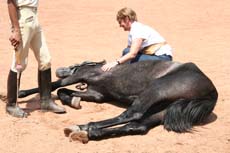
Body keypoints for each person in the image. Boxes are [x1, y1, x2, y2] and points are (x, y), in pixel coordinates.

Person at [6, 0, 66, 118]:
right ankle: (11, 105)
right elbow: (10, 2)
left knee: (45, 60)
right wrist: (16, 29)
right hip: (22, 19)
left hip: (34, 18)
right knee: (19, 63)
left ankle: (46, 101)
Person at [102, 7, 173, 71]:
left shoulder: (137, 29)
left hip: (162, 58)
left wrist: (115, 62)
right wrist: (115, 63)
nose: (120, 25)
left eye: (120, 22)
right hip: (155, 57)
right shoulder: (134, 30)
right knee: (126, 51)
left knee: (127, 54)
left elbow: (132, 54)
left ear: (126, 19)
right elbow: (127, 52)